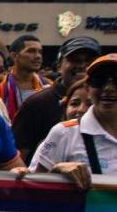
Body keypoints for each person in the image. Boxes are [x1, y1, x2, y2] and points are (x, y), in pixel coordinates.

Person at [27, 54, 117, 189]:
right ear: (87, 88)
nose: (108, 88)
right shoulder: (64, 132)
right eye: (99, 80)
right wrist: (57, 170)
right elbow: (31, 188)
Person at [12, 36, 99, 163]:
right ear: (59, 65)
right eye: (75, 60)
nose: (82, 65)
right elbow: (18, 160)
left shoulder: (108, 104)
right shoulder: (36, 104)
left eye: (89, 61)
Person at [0, 34, 51, 120]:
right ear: (14, 56)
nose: (38, 56)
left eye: (40, 52)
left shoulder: (49, 85)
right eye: (31, 51)